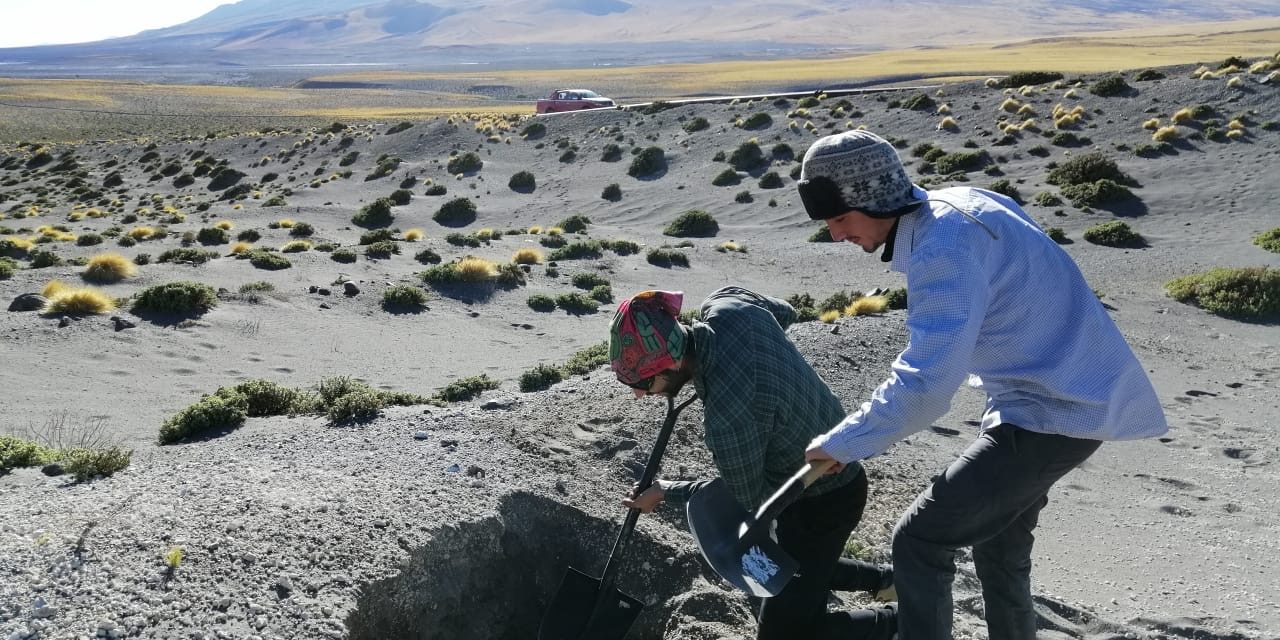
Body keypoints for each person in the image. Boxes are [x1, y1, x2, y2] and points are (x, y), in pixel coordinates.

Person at [794, 130, 1169, 640]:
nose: (837, 235)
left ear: (873, 197)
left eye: (840, 218)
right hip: (1069, 398)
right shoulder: (963, 203)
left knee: (919, 540)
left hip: (1053, 412)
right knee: (1000, 549)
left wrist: (844, 442)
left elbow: (928, 383)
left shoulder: (942, 246)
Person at [609, 287, 897, 640]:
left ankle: (902, 619)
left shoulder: (727, 418)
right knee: (802, 566)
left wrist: (668, 490)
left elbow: (755, 504)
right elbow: (786, 311)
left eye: (640, 383)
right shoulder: (726, 305)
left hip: (820, 500)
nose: (638, 394)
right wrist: (774, 368)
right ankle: (884, 580)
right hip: (838, 454)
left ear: (669, 363)